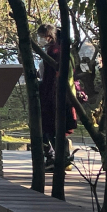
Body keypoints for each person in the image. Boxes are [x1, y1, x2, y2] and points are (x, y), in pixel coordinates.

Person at [36, 24, 77, 170]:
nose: (40, 40)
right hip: (63, 96)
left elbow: (51, 78)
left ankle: (55, 158)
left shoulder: (54, 52)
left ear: (48, 36)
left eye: (41, 36)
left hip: (54, 96)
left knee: (49, 128)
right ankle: (63, 158)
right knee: (56, 128)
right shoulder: (62, 50)